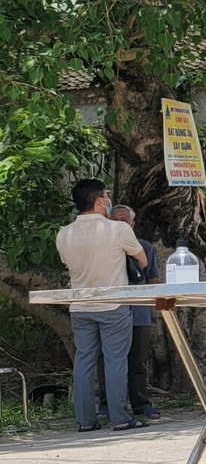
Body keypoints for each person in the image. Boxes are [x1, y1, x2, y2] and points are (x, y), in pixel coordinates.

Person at [55, 180, 148, 432]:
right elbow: (141, 259)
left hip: (80, 304)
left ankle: (86, 420)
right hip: (113, 303)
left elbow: (67, 264)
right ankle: (119, 417)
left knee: (84, 360)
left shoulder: (64, 233)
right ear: (99, 201)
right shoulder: (118, 229)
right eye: (107, 196)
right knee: (116, 359)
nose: (109, 200)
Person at [109, 205, 159, 422]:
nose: (120, 223)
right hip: (111, 309)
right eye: (115, 220)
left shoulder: (145, 247)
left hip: (138, 312)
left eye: (124, 220)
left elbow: (153, 278)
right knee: (109, 359)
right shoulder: (104, 249)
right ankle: (107, 403)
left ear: (132, 224)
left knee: (137, 361)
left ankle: (141, 403)